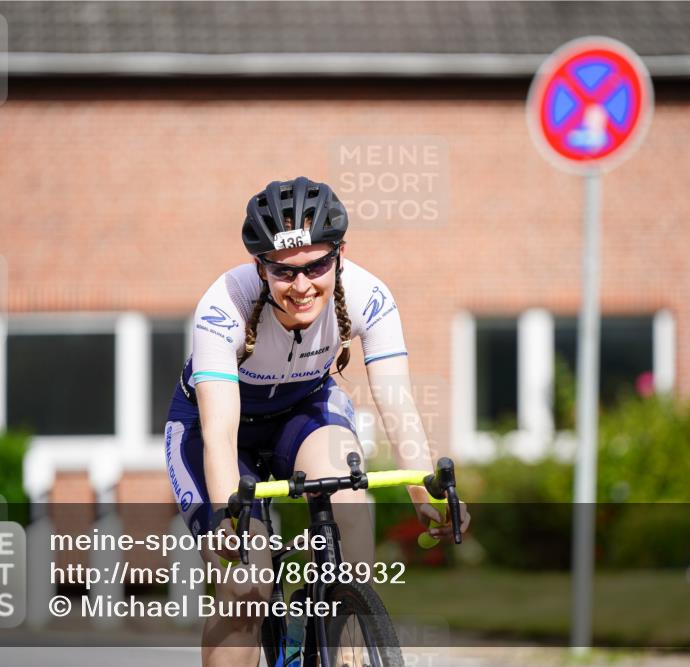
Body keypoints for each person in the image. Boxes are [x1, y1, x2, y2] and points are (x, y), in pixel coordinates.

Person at [164, 176, 470, 666]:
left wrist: (422, 489)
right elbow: (220, 432)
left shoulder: (370, 295)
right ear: (260, 269)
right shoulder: (224, 305)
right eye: (284, 273)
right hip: (217, 431)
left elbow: (396, 399)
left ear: (340, 254)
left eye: (317, 267)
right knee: (248, 585)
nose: (302, 287)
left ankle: (340, 647)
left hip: (302, 413)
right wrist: (227, 519)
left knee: (353, 521)